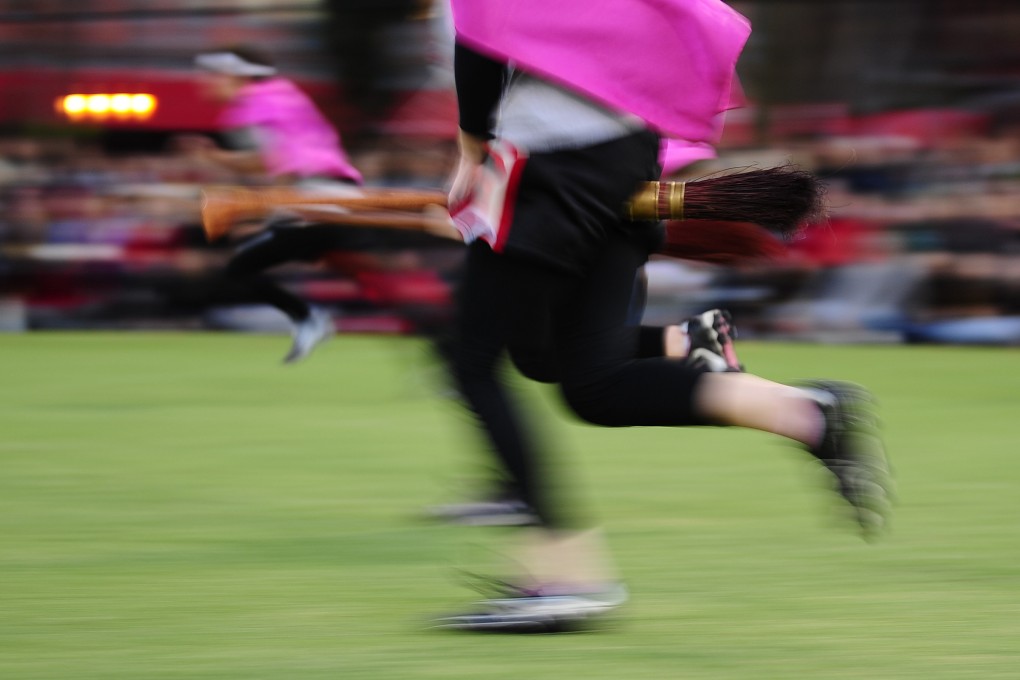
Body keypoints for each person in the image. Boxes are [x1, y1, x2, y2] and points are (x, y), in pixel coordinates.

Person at [432, 0, 892, 632]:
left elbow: (482, 33)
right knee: (583, 380)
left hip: (553, 161)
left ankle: (564, 578)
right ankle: (803, 410)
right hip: (627, 164)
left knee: (469, 364)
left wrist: (471, 150)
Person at [181, 46, 364, 363]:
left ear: (235, 75)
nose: (205, 82)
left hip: (317, 199)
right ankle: (308, 317)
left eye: (213, 75)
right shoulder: (281, 94)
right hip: (337, 196)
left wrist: (267, 212)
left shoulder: (254, 105)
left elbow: (279, 163)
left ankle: (308, 317)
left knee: (240, 268)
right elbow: (277, 159)